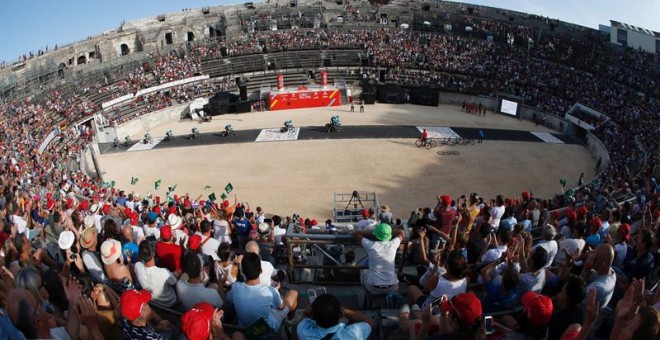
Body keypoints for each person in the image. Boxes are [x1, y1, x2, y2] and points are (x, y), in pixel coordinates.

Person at [226, 253, 298, 331]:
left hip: (244, 327)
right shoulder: (270, 291)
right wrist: (276, 291)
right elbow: (281, 307)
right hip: (266, 329)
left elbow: (228, 298)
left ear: (243, 271)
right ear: (261, 271)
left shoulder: (236, 287)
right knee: (293, 293)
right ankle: (289, 322)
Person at [297, 293, 373, 339]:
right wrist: (344, 311)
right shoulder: (352, 334)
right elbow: (370, 322)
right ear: (341, 315)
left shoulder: (304, 332)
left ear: (312, 316)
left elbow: (303, 321)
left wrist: (306, 314)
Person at [354, 223, 403, 294]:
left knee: (363, 272)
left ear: (376, 234)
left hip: (373, 287)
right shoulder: (393, 244)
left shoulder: (370, 245)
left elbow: (356, 233)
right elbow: (401, 232)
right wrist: (387, 232)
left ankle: (366, 297)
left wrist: (372, 232)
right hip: (393, 286)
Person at [134, 240, 178, 308]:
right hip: (170, 302)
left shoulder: (137, 266)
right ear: (154, 253)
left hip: (154, 303)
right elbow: (176, 285)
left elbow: (138, 261)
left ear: (140, 256)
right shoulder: (164, 272)